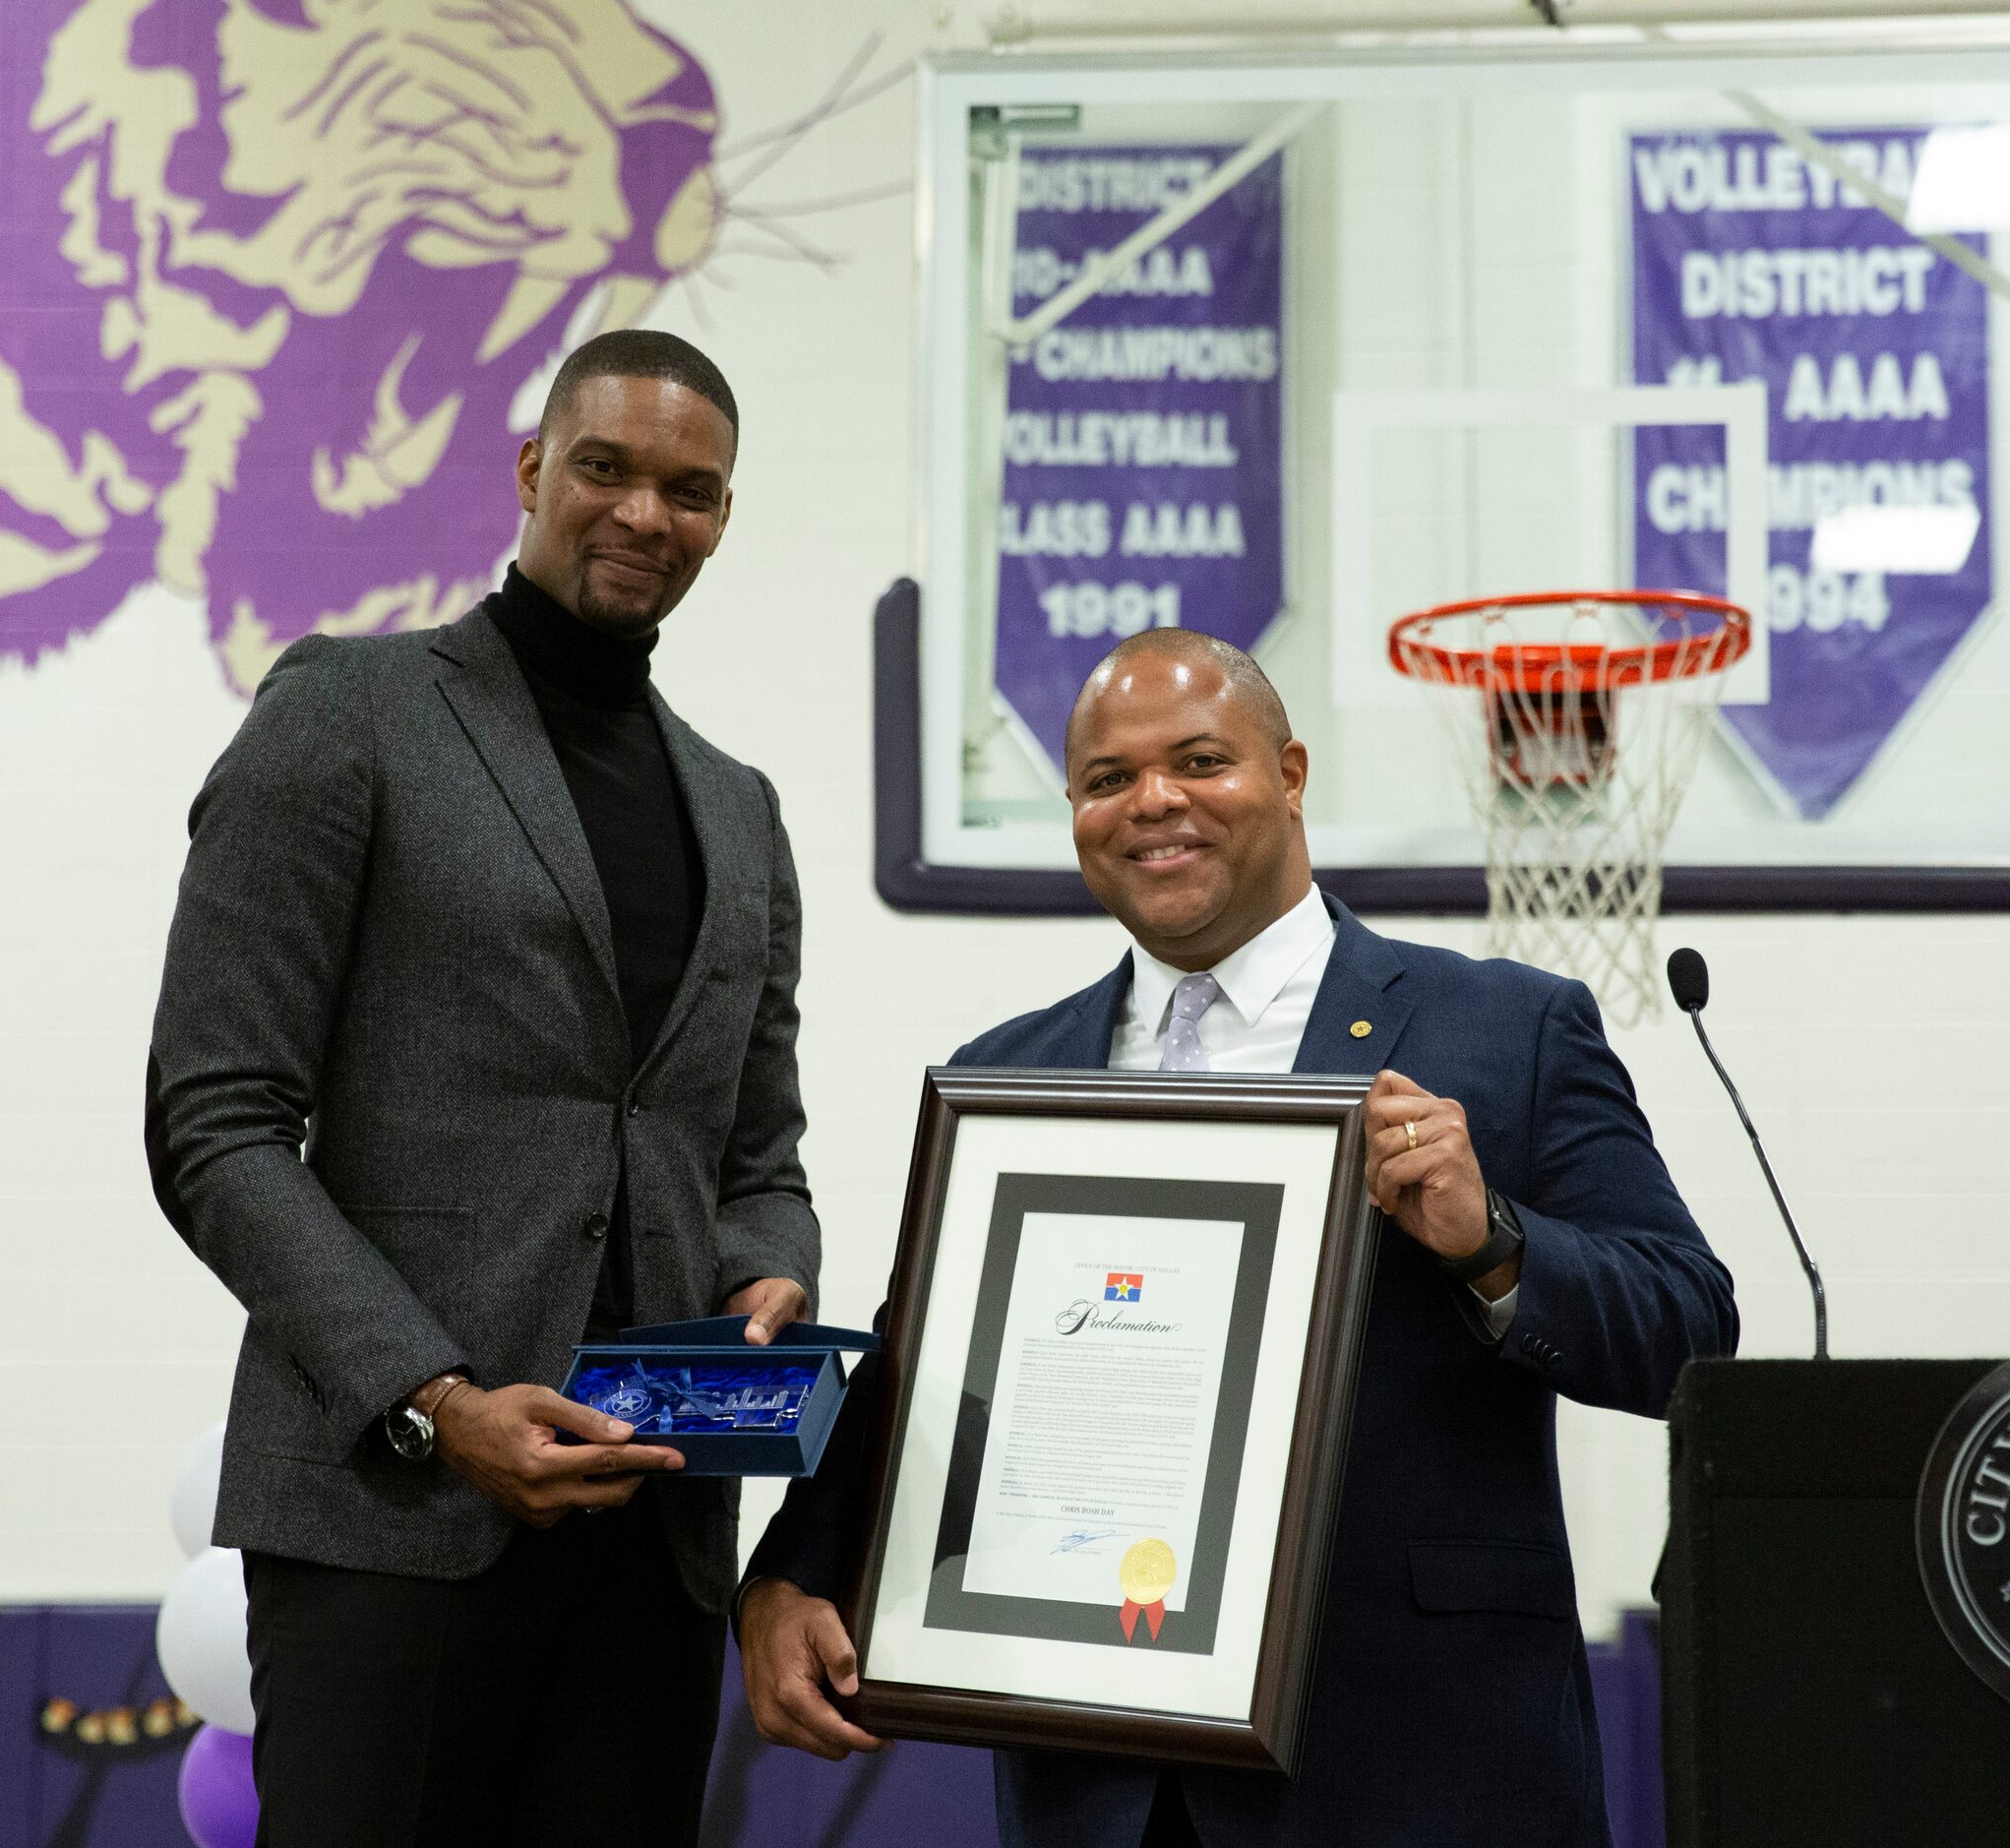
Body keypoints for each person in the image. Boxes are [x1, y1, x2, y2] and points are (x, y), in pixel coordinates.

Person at [737, 629, 1736, 1847]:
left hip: (1424, 1765)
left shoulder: (1507, 1031)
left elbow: (1692, 1325)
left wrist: (1493, 1241)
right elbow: (920, 1361)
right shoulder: (1011, 1073)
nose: (1153, 802)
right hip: (1102, 1780)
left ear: (1292, 773)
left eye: (1201, 760)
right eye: (1108, 779)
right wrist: (795, 1565)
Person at [145, 329, 817, 1848]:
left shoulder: (740, 808)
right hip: (390, 1521)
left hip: (652, 1542)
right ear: (531, 470)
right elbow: (217, 1120)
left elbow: (754, 1152)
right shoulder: (348, 713)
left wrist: (773, 1269)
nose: (649, 514)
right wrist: (435, 1400)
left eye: (692, 491)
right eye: (608, 469)